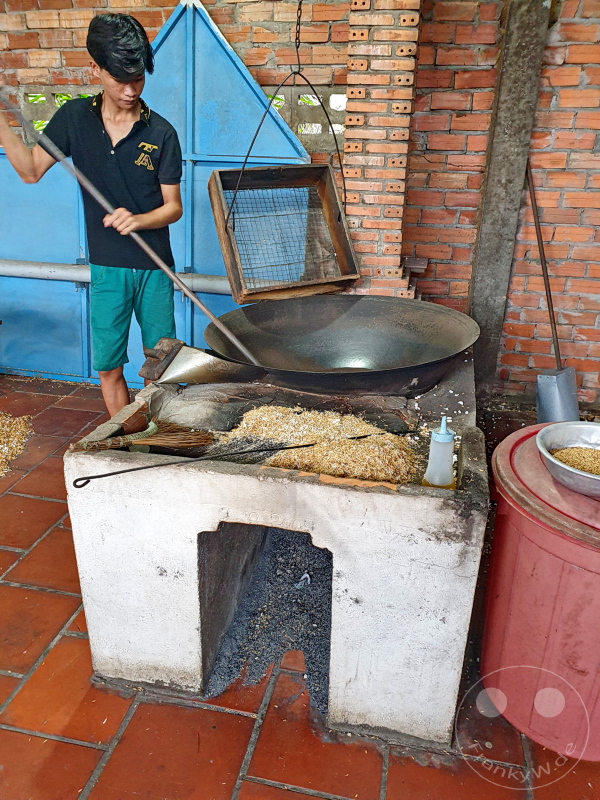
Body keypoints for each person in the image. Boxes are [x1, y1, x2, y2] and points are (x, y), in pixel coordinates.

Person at [0, 14, 183, 416]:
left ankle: (156, 437)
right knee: (108, 366)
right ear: (94, 69)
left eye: (138, 78)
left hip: (154, 268)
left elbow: (174, 208)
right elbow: (29, 171)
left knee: (161, 366)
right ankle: (126, 437)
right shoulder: (74, 119)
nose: (130, 90)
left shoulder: (161, 133)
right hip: (106, 268)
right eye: (120, 79)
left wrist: (138, 219)